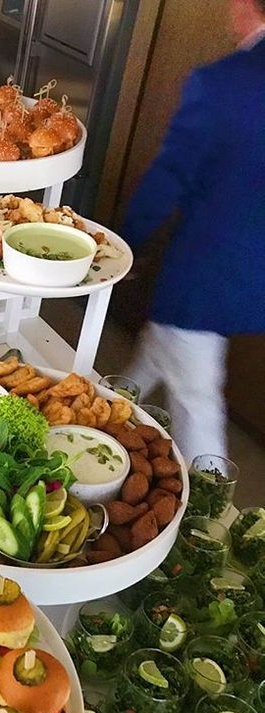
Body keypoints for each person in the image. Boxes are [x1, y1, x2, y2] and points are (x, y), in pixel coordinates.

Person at [121, 0, 265, 461]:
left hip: (210, 272)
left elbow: (169, 177)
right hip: (249, 272)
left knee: (197, 403)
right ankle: (110, 415)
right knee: (157, 352)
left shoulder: (225, 83)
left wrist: (126, 244)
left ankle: (211, 522)